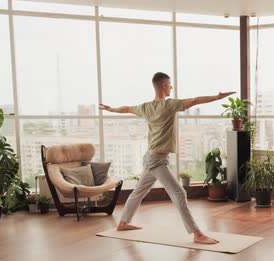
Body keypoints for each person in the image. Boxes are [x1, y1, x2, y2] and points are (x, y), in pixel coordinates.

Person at [100, 72, 234, 245]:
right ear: (163, 85)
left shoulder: (146, 107)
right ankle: (197, 233)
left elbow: (126, 109)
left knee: (139, 191)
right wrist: (217, 97)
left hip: (150, 157)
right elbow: (194, 100)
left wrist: (111, 109)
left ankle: (123, 223)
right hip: (156, 160)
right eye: (170, 84)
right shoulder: (169, 105)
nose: (171, 87)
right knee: (180, 193)